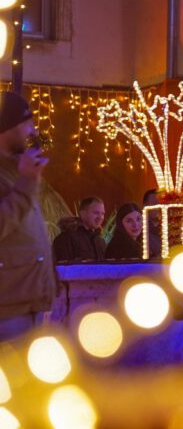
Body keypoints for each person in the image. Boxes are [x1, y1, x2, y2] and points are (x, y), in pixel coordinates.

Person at [0, 91, 56, 342]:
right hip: (7, 310)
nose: (32, 130)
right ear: (7, 128)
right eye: (27, 123)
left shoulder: (16, 171)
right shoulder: (16, 177)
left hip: (26, 304)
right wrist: (26, 184)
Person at [53, 196, 107, 262]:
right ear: (83, 214)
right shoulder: (66, 238)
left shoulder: (100, 240)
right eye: (96, 213)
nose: (100, 217)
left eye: (103, 214)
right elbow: (62, 268)